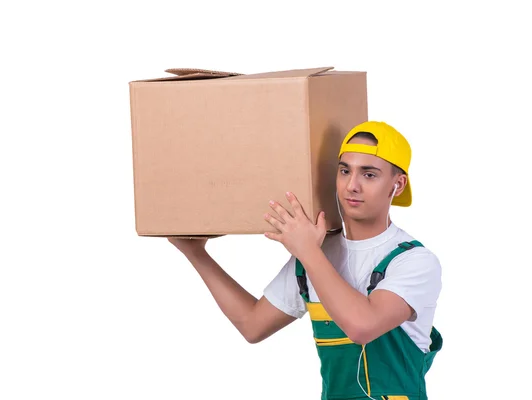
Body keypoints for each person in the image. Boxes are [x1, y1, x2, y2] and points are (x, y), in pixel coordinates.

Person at [168, 121, 443, 400]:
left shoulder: (414, 261)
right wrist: (195, 252)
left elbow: (363, 326)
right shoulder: (316, 253)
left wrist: (308, 251)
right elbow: (252, 324)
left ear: (397, 185)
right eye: (345, 170)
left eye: (369, 175)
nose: (352, 185)